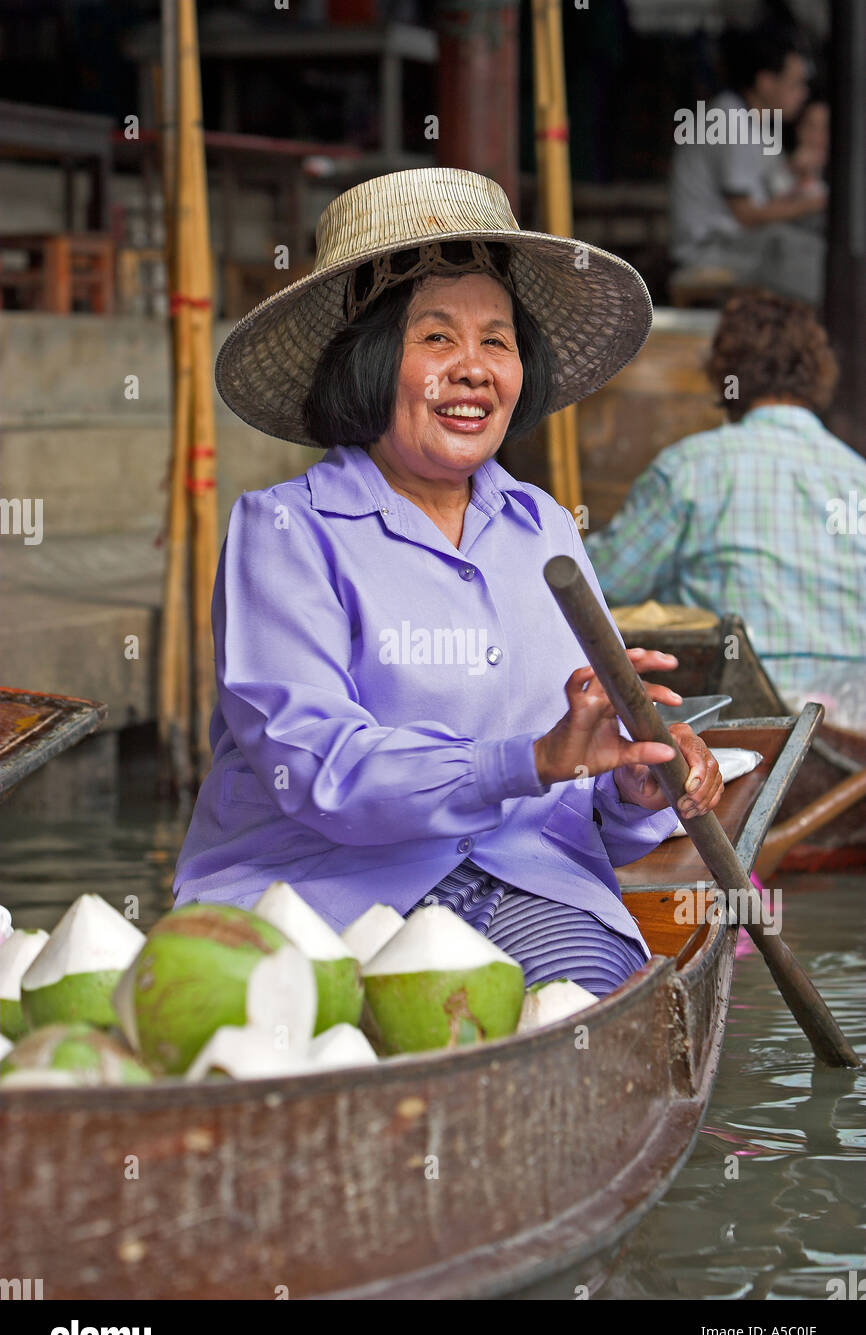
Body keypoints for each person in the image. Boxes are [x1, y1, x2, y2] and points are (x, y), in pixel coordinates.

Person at [172, 166, 723, 998]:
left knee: (585, 1016)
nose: (473, 369)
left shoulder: (541, 524)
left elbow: (594, 812)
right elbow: (320, 770)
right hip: (324, 902)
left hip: (533, 889)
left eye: (495, 341)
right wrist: (526, 760)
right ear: (368, 361)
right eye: (436, 338)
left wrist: (635, 782)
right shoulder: (283, 529)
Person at [584, 288, 866, 731]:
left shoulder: (691, 468)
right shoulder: (857, 476)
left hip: (746, 733)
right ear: (817, 376)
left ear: (725, 376)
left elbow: (601, 583)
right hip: (855, 738)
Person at [669, 25, 826, 304]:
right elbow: (746, 214)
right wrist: (816, 203)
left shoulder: (755, 121)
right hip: (709, 249)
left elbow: (767, 197)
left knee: (814, 232)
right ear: (766, 82)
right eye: (794, 84)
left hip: (738, 240)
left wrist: (796, 176)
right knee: (811, 254)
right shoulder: (730, 120)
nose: (801, 94)